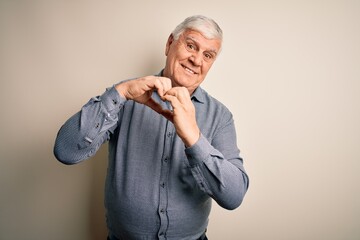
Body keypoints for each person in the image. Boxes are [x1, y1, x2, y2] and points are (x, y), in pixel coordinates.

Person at [54, 15, 249, 240]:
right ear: (169, 44)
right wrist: (121, 92)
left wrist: (194, 139)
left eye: (207, 55)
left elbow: (234, 196)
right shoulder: (125, 97)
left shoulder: (220, 116)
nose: (196, 60)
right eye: (191, 46)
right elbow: (65, 151)